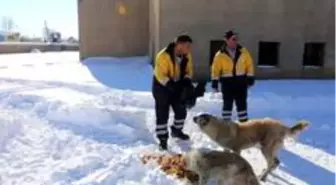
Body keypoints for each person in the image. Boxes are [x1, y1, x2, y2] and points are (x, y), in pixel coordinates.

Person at [152, 35, 194, 150]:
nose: (189, 49)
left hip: (177, 85)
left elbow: (189, 70)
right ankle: (163, 139)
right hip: (161, 87)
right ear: (179, 44)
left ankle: (176, 131)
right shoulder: (163, 55)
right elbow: (160, 75)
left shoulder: (187, 55)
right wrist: (171, 85)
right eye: (187, 46)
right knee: (162, 114)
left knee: (181, 110)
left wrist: (187, 81)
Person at [211, 30, 255, 122]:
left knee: (242, 104)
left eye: (236, 39)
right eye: (233, 39)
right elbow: (215, 70)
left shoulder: (244, 52)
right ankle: (226, 126)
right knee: (227, 104)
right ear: (226, 40)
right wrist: (214, 83)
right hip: (227, 83)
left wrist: (250, 78)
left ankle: (244, 126)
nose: (236, 41)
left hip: (241, 82)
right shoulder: (220, 55)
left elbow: (249, 65)